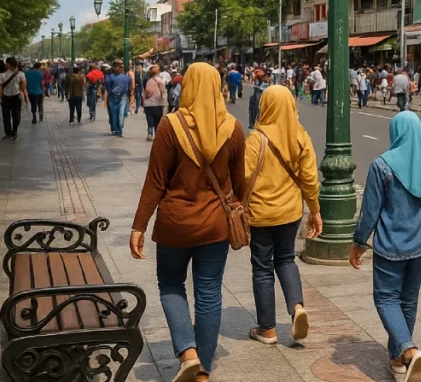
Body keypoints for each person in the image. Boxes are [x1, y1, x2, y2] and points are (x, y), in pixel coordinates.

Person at [129, 62, 246, 382]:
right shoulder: (232, 128)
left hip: (174, 224)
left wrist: (138, 226)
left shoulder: (170, 126)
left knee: (170, 285)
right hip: (215, 226)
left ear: (188, 86)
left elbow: (155, 181)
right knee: (209, 293)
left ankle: (187, 352)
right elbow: (241, 182)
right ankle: (202, 372)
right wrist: (239, 210)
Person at [351, 112, 421, 382]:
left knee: (385, 298)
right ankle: (398, 359)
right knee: (407, 300)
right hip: (420, 245)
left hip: (390, 246)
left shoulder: (381, 165)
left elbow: (370, 211)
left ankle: (407, 349)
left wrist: (358, 242)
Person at [247, 86, 323, 346]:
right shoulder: (300, 136)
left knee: (262, 267)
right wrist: (314, 209)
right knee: (286, 259)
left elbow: (244, 177)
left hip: (260, 213)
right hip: (290, 212)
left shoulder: (256, 138)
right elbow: (310, 179)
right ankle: (297, 308)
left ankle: (267, 329)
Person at [1, 58, 28, 140]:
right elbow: (0, 88)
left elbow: (24, 87)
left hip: (16, 96)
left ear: (11, 64)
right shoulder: (3, 75)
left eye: (7, 63)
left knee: (16, 115)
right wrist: (1, 98)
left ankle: (14, 131)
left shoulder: (21, 74)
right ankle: (8, 132)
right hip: (5, 96)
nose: (6, 65)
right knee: (6, 116)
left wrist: (26, 97)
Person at [104, 60, 133, 137]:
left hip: (121, 97)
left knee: (119, 114)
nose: (117, 68)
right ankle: (118, 130)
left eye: (119, 66)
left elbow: (129, 88)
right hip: (114, 98)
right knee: (115, 114)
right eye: (116, 66)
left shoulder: (126, 77)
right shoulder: (110, 77)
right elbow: (108, 88)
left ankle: (118, 128)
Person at [143, 65, 168, 141]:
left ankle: (150, 134)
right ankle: (158, 134)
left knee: (150, 119)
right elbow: (164, 91)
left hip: (149, 104)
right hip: (159, 103)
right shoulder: (162, 81)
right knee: (158, 120)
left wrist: (145, 98)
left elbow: (147, 92)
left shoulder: (149, 81)